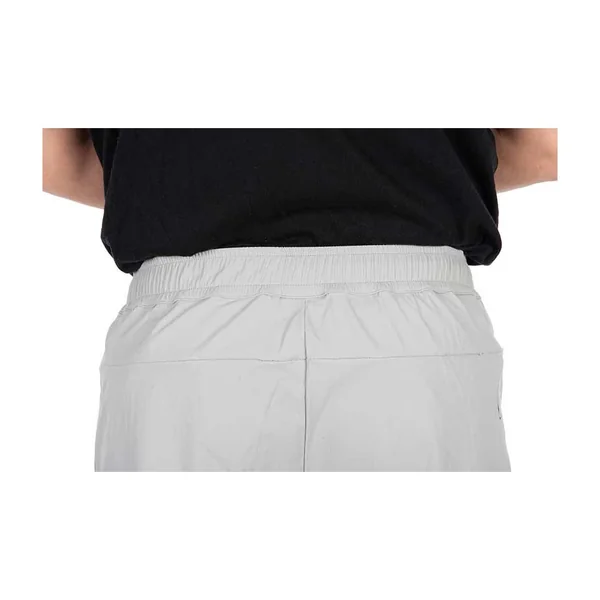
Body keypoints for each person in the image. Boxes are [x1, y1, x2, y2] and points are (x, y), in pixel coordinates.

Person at [42, 128, 558, 472]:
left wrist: (197, 180)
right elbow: (543, 144)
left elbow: (55, 154)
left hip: (185, 341)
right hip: (417, 338)